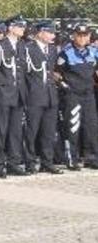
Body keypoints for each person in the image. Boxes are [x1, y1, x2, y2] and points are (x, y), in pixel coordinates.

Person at [56, 23, 98, 170]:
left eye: (85, 35)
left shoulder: (94, 52)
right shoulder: (65, 53)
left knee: (91, 126)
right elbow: (55, 73)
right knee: (73, 127)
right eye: (79, 35)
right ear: (74, 36)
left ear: (89, 37)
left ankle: (91, 158)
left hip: (88, 94)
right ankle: (71, 158)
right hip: (73, 95)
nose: (82, 38)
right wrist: (64, 86)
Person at [23, 22, 63, 174]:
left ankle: (47, 161)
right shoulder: (29, 48)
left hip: (50, 96)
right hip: (34, 95)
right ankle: (30, 161)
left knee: (49, 131)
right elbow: (26, 73)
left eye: (53, 33)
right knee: (31, 131)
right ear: (40, 33)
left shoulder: (52, 50)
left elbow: (51, 71)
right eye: (50, 32)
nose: (53, 35)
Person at [0, 18, 28, 177]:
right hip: (4, 93)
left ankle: (14, 161)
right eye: (20, 26)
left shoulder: (21, 46)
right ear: (11, 28)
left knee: (16, 130)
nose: (23, 29)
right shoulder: (0, 46)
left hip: (18, 93)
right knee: (1, 129)